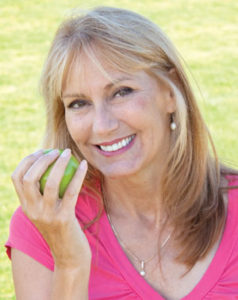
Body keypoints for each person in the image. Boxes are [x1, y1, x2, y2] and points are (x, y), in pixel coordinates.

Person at [5, 6, 238, 300]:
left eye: (122, 92)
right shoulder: (44, 225)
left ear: (170, 91)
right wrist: (70, 263)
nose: (102, 126)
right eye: (79, 103)